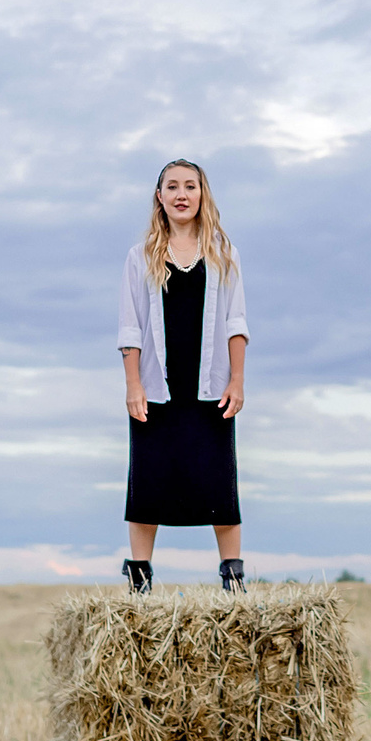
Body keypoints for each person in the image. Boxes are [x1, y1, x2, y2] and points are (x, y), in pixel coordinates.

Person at [116, 159, 249, 594]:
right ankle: (139, 583)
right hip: (157, 390)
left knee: (220, 485)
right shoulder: (140, 257)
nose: (181, 194)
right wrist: (134, 384)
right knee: (147, 483)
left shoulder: (223, 254)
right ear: (160, 197)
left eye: (190, 186)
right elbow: (130, 326)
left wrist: (237, 380)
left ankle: (233, 581)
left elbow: (236, 322)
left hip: (211, 389)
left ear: (201, 194)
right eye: (172, 186)